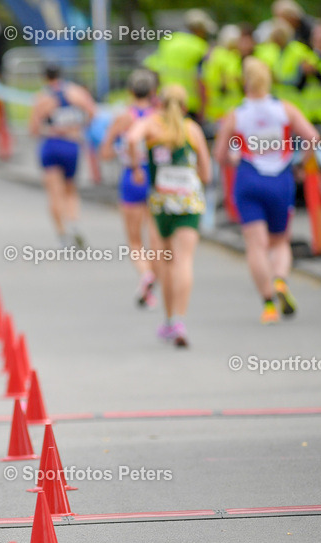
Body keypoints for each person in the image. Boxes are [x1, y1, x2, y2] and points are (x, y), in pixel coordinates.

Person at [213, 57, 319, 324]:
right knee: (280, 241)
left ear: (244, 81)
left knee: (256, 246)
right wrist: (299, 163)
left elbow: (219, 154)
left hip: (249, 179)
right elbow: (313, 138)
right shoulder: (285, 109)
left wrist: (233, 158)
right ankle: (281, 281)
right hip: (280, 180)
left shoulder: (236, 114)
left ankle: (268, 303)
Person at [127, 84, 212, 348]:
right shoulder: (193, 130)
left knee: (164, 262)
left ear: (158, 103)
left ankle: (167, 320)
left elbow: (131, 139)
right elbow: (207, 174)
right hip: (188, 203)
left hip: (161, 203)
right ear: (185, 106)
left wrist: (136, 167)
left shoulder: (152, 125)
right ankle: (178, 320)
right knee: (184, 261)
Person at [98, 69, 161, 307]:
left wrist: (120, 149)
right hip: (156, 176)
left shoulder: (124, 117)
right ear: (153, 92)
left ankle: (146, 275)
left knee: (135, 239)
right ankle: (153, 278)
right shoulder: (159, 116)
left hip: (132, 175)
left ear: (129, 91)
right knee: (155, 235)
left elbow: (104, 152)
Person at [28, 63, 97, 248]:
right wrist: (78, 126)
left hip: (51, 144)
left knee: (54, 193)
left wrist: (49, 128)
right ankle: (73, 223)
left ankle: (61, 234)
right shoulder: (76, 93)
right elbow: (92, 112)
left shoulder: (42, 97)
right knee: (70, 189)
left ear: (45, 77)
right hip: (71, 144)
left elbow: (33, 128)